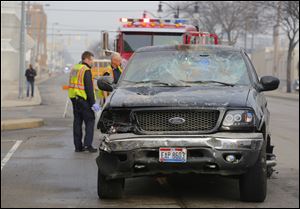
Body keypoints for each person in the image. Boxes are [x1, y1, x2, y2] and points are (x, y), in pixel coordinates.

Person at [68, 51, 101, 153]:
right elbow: (89, 89)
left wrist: (73, 99)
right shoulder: (86, 70)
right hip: (84, 101)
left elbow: (72, 84)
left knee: (77, 123)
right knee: (90, 121)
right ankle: (87, 145)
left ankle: (78, 147)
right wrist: (94, 104)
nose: (92, 62)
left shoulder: (74, 68)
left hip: (75, 100)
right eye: (91, 60)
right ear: (86, 59)